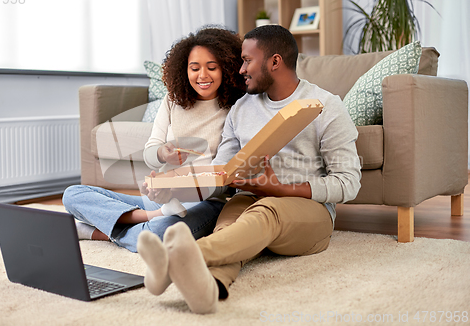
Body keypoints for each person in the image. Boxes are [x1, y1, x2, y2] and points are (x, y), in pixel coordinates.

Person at [137, 25, 362, 314]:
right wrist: (175, 186)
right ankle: (209, 290)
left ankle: (174, 259)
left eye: (247, 60)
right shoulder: (241, 109)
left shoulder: (326, 106)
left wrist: (281, 189)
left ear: (275, 62)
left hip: (306, 208)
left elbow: (349, 182)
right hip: (248, 197)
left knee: (265, 213)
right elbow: (222, 173)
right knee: (228, 230)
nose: (241, 69)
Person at [62, 26, 246, 252]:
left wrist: (177, 189)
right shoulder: (173, 100)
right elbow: (152, 154)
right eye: (194, 68)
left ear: (227, 69)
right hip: (161, 200)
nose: (202, 76)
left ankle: (96, 231)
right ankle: (151, 215)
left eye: (212, 67)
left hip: (205, 204)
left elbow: (222, 180)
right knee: (73, 194)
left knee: (158, 235)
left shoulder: (236, 109)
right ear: (183, 69)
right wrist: (162, 153)